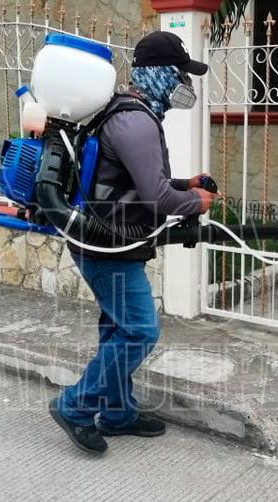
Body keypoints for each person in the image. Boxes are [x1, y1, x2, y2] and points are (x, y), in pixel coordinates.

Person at [48, 31, 216, 455]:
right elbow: (157, 198)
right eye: (179, 73)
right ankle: (75, 406)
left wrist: (186, 184)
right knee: (140, 331)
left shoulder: (129, 113)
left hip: (110, 239)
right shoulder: (136, 122)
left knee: (117, 329)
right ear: (158, 73)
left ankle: (118, 413)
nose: (184, 83)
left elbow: (138, 183)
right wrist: (195, 201)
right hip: (108, 247)